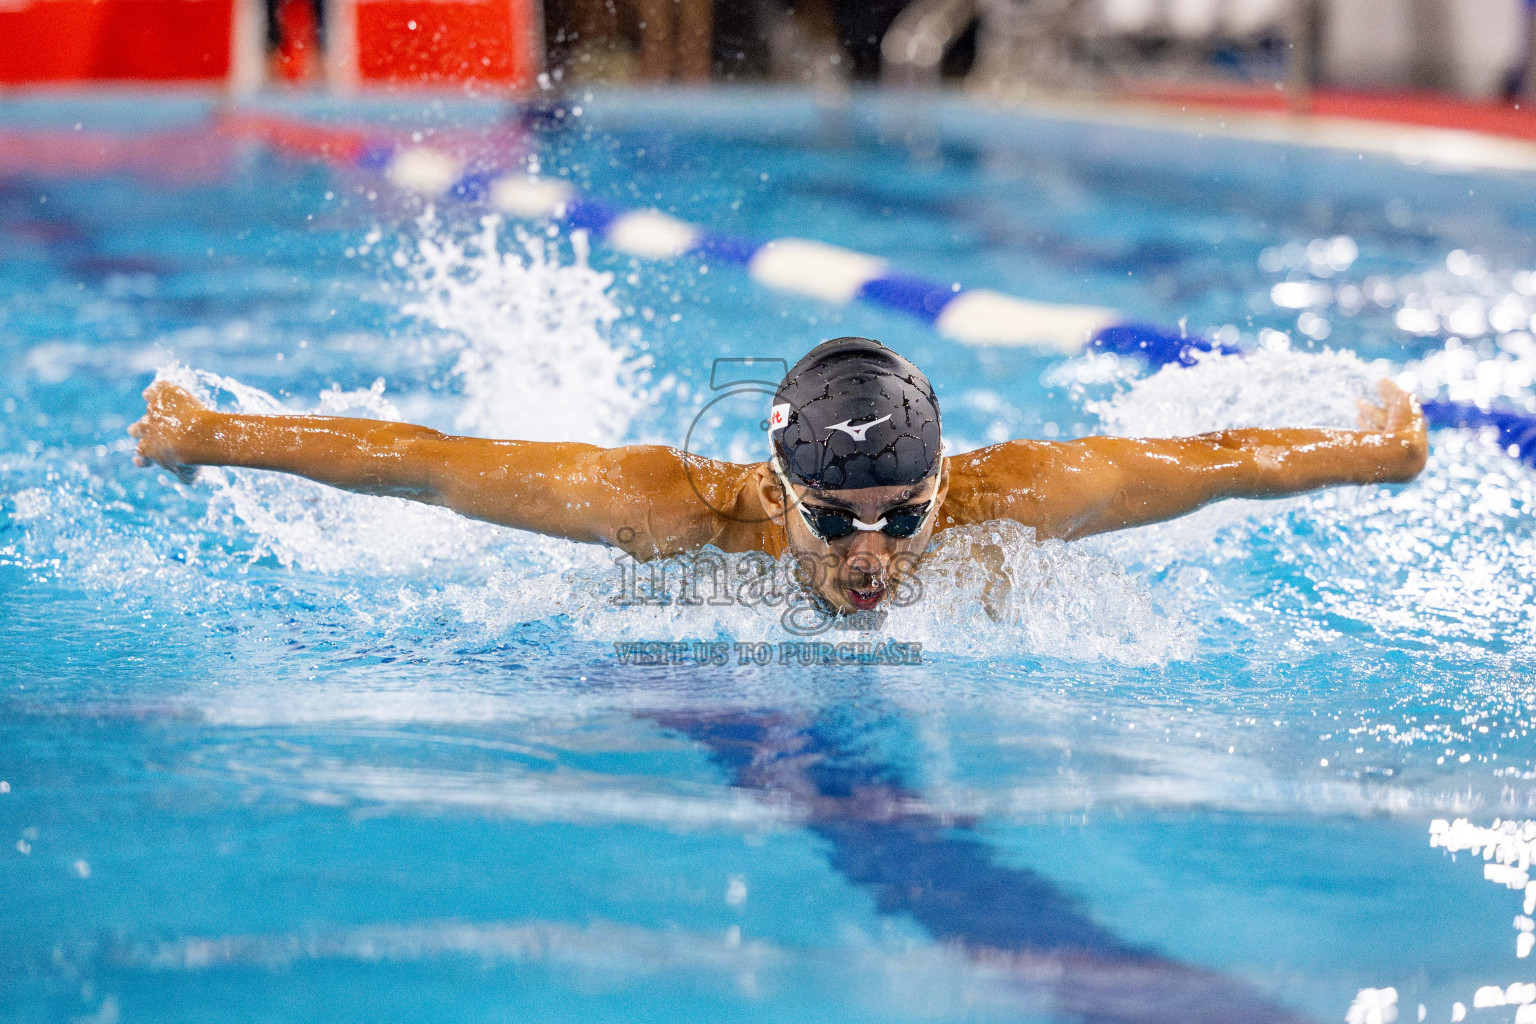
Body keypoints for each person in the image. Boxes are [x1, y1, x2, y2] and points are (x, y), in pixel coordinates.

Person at [129, 336, 1427, 615]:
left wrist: (1376, 454)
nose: (873, 559)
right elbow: (421, 466)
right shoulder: (663, 507)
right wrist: (203, 432)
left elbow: (1218, 462)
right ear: (777, 486)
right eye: (838, 525)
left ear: (943, 479)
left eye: (902, 520)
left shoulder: (1015, 495)